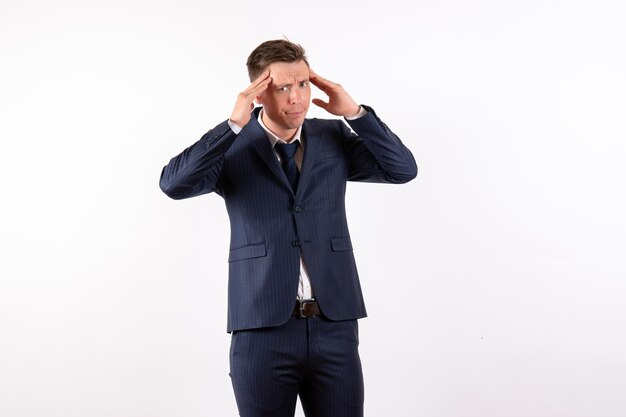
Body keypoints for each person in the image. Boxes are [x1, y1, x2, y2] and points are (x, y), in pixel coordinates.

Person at [159, 39, 417, 417]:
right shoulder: (232, 147)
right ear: (259, 93)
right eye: (283, 88)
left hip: (335, 326)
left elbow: (402, 170)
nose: (297, 98)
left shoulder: (333, 138)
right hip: (262, 330)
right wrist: (233, 124)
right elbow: (173, 184)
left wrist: (357, 114)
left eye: (302, 84)